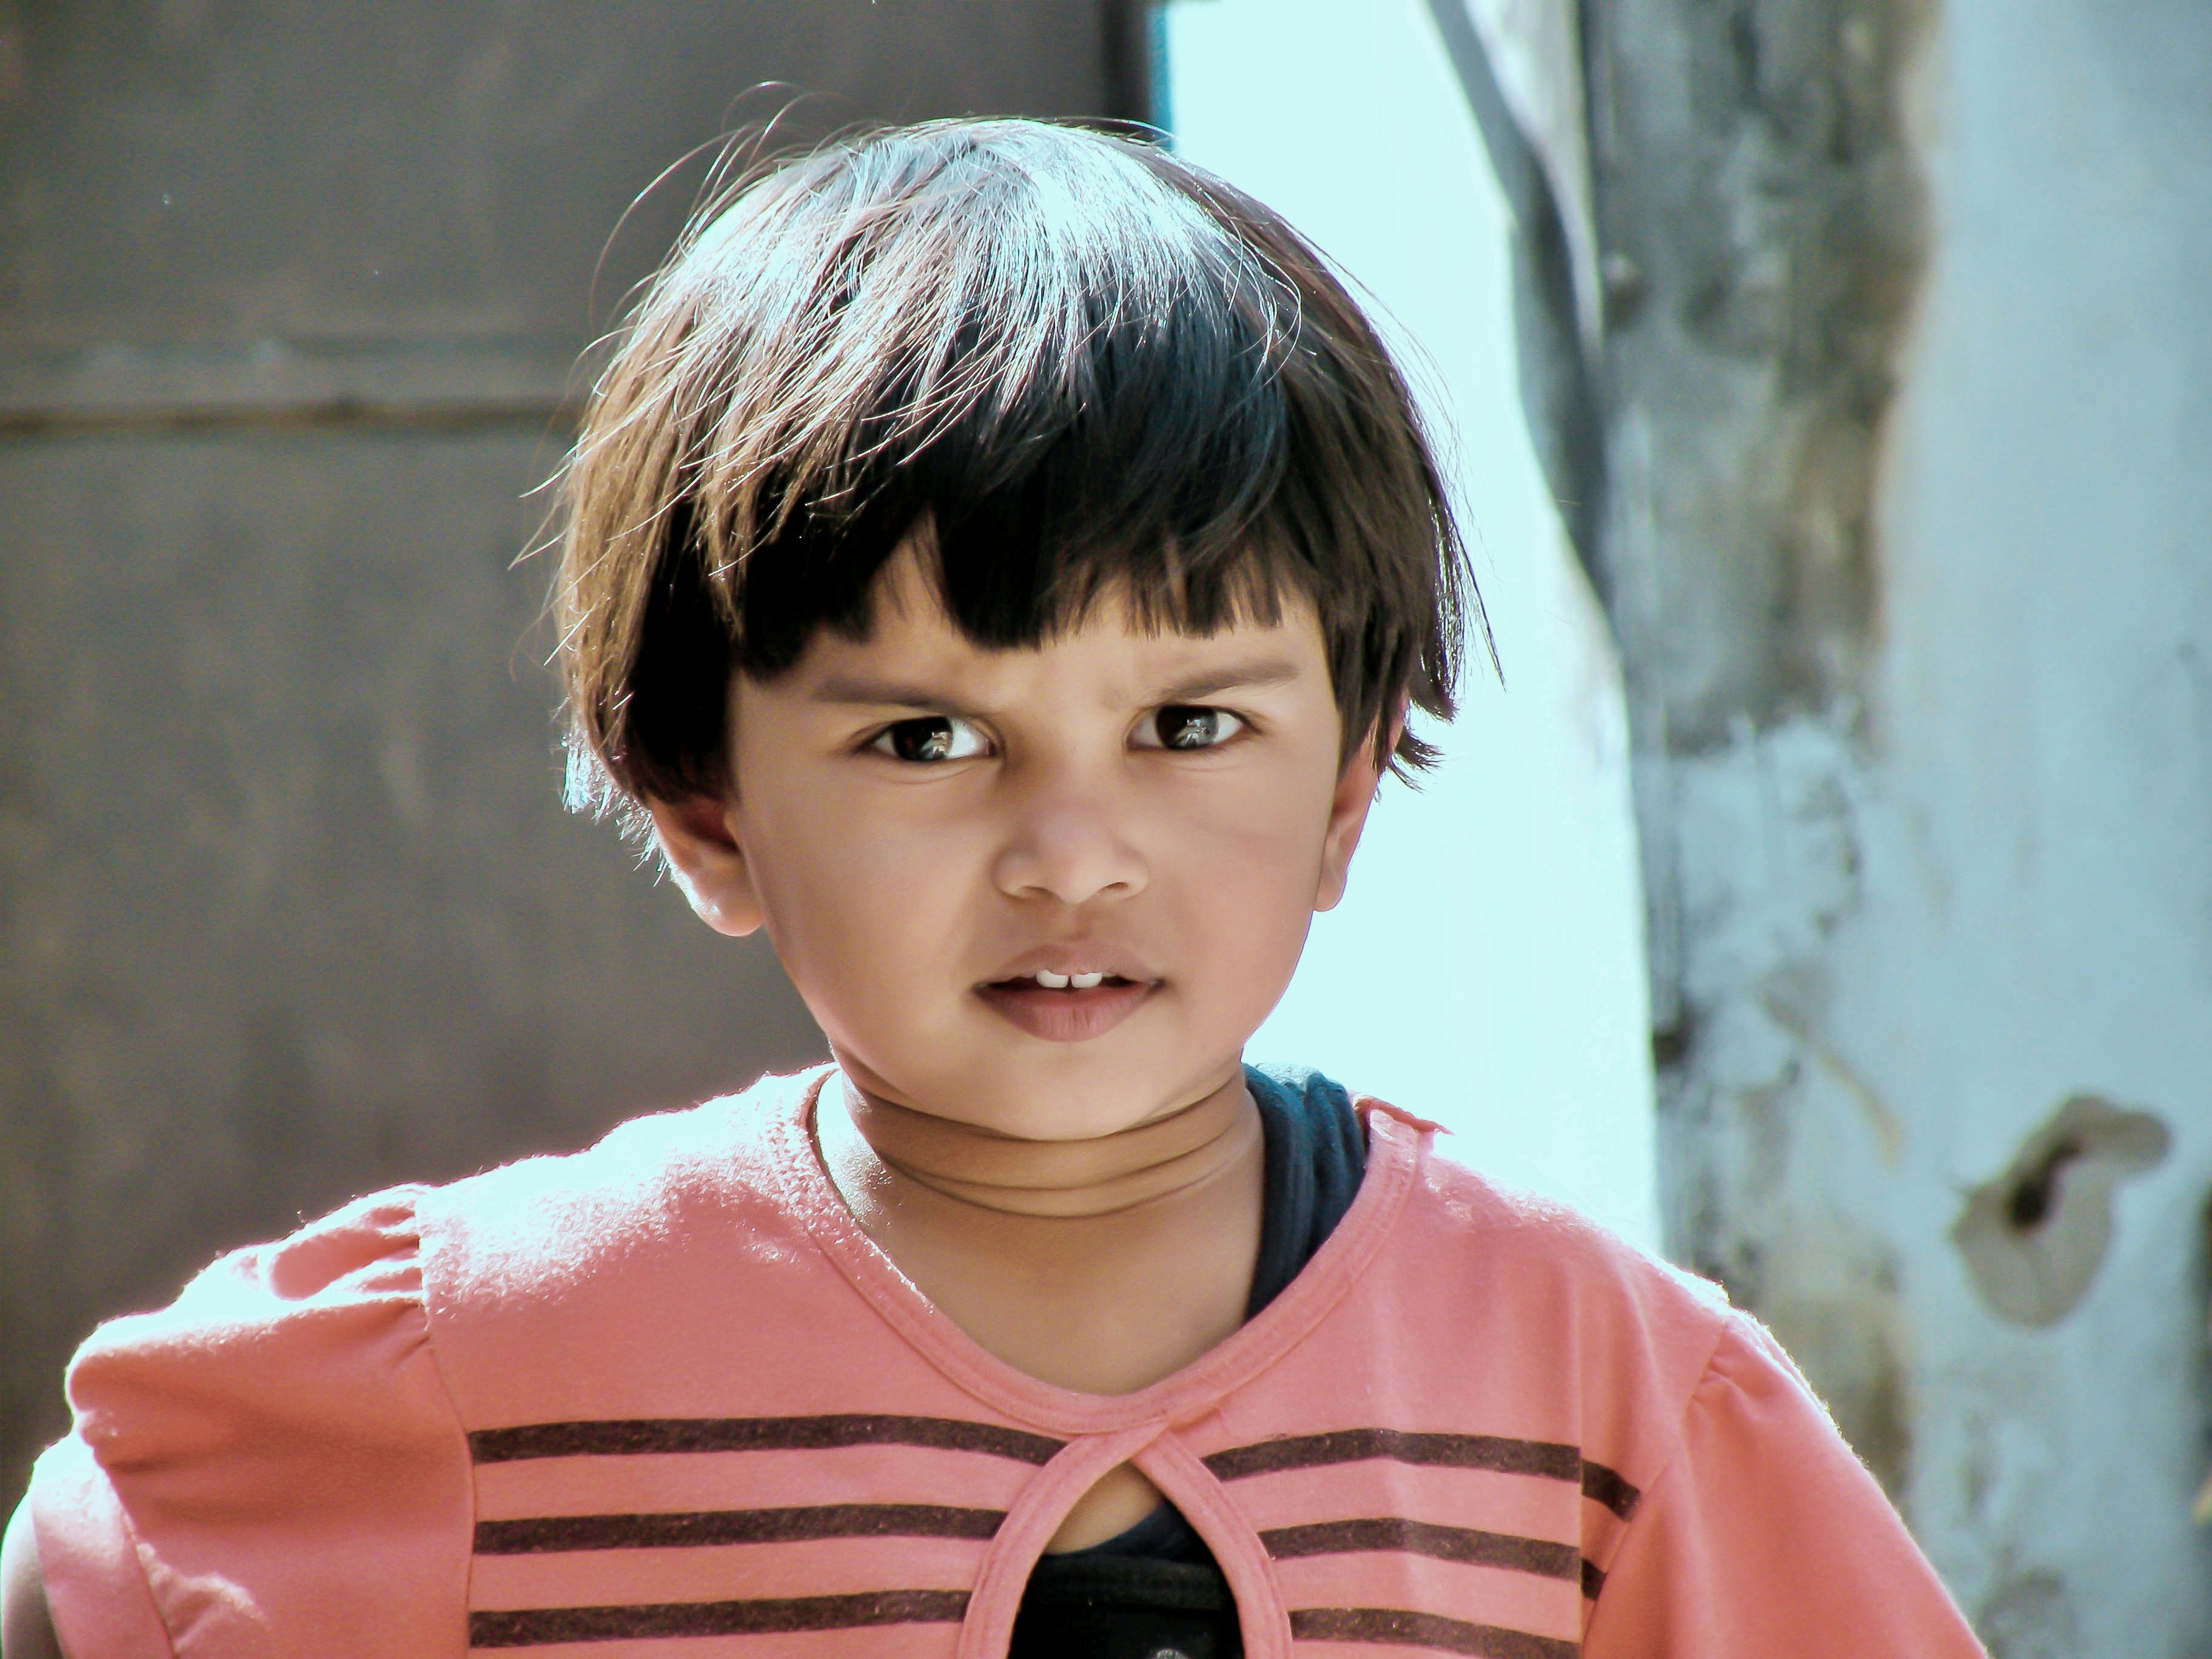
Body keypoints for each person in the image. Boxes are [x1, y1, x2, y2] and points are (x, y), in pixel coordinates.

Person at [1, 118, 1985, 1659]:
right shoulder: (477, 1365)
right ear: (703, 807)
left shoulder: (1594, 1388)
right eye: (929, 739)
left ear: (1347, 791)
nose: (1072, 852)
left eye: (1191, 726)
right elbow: (104, 1573)